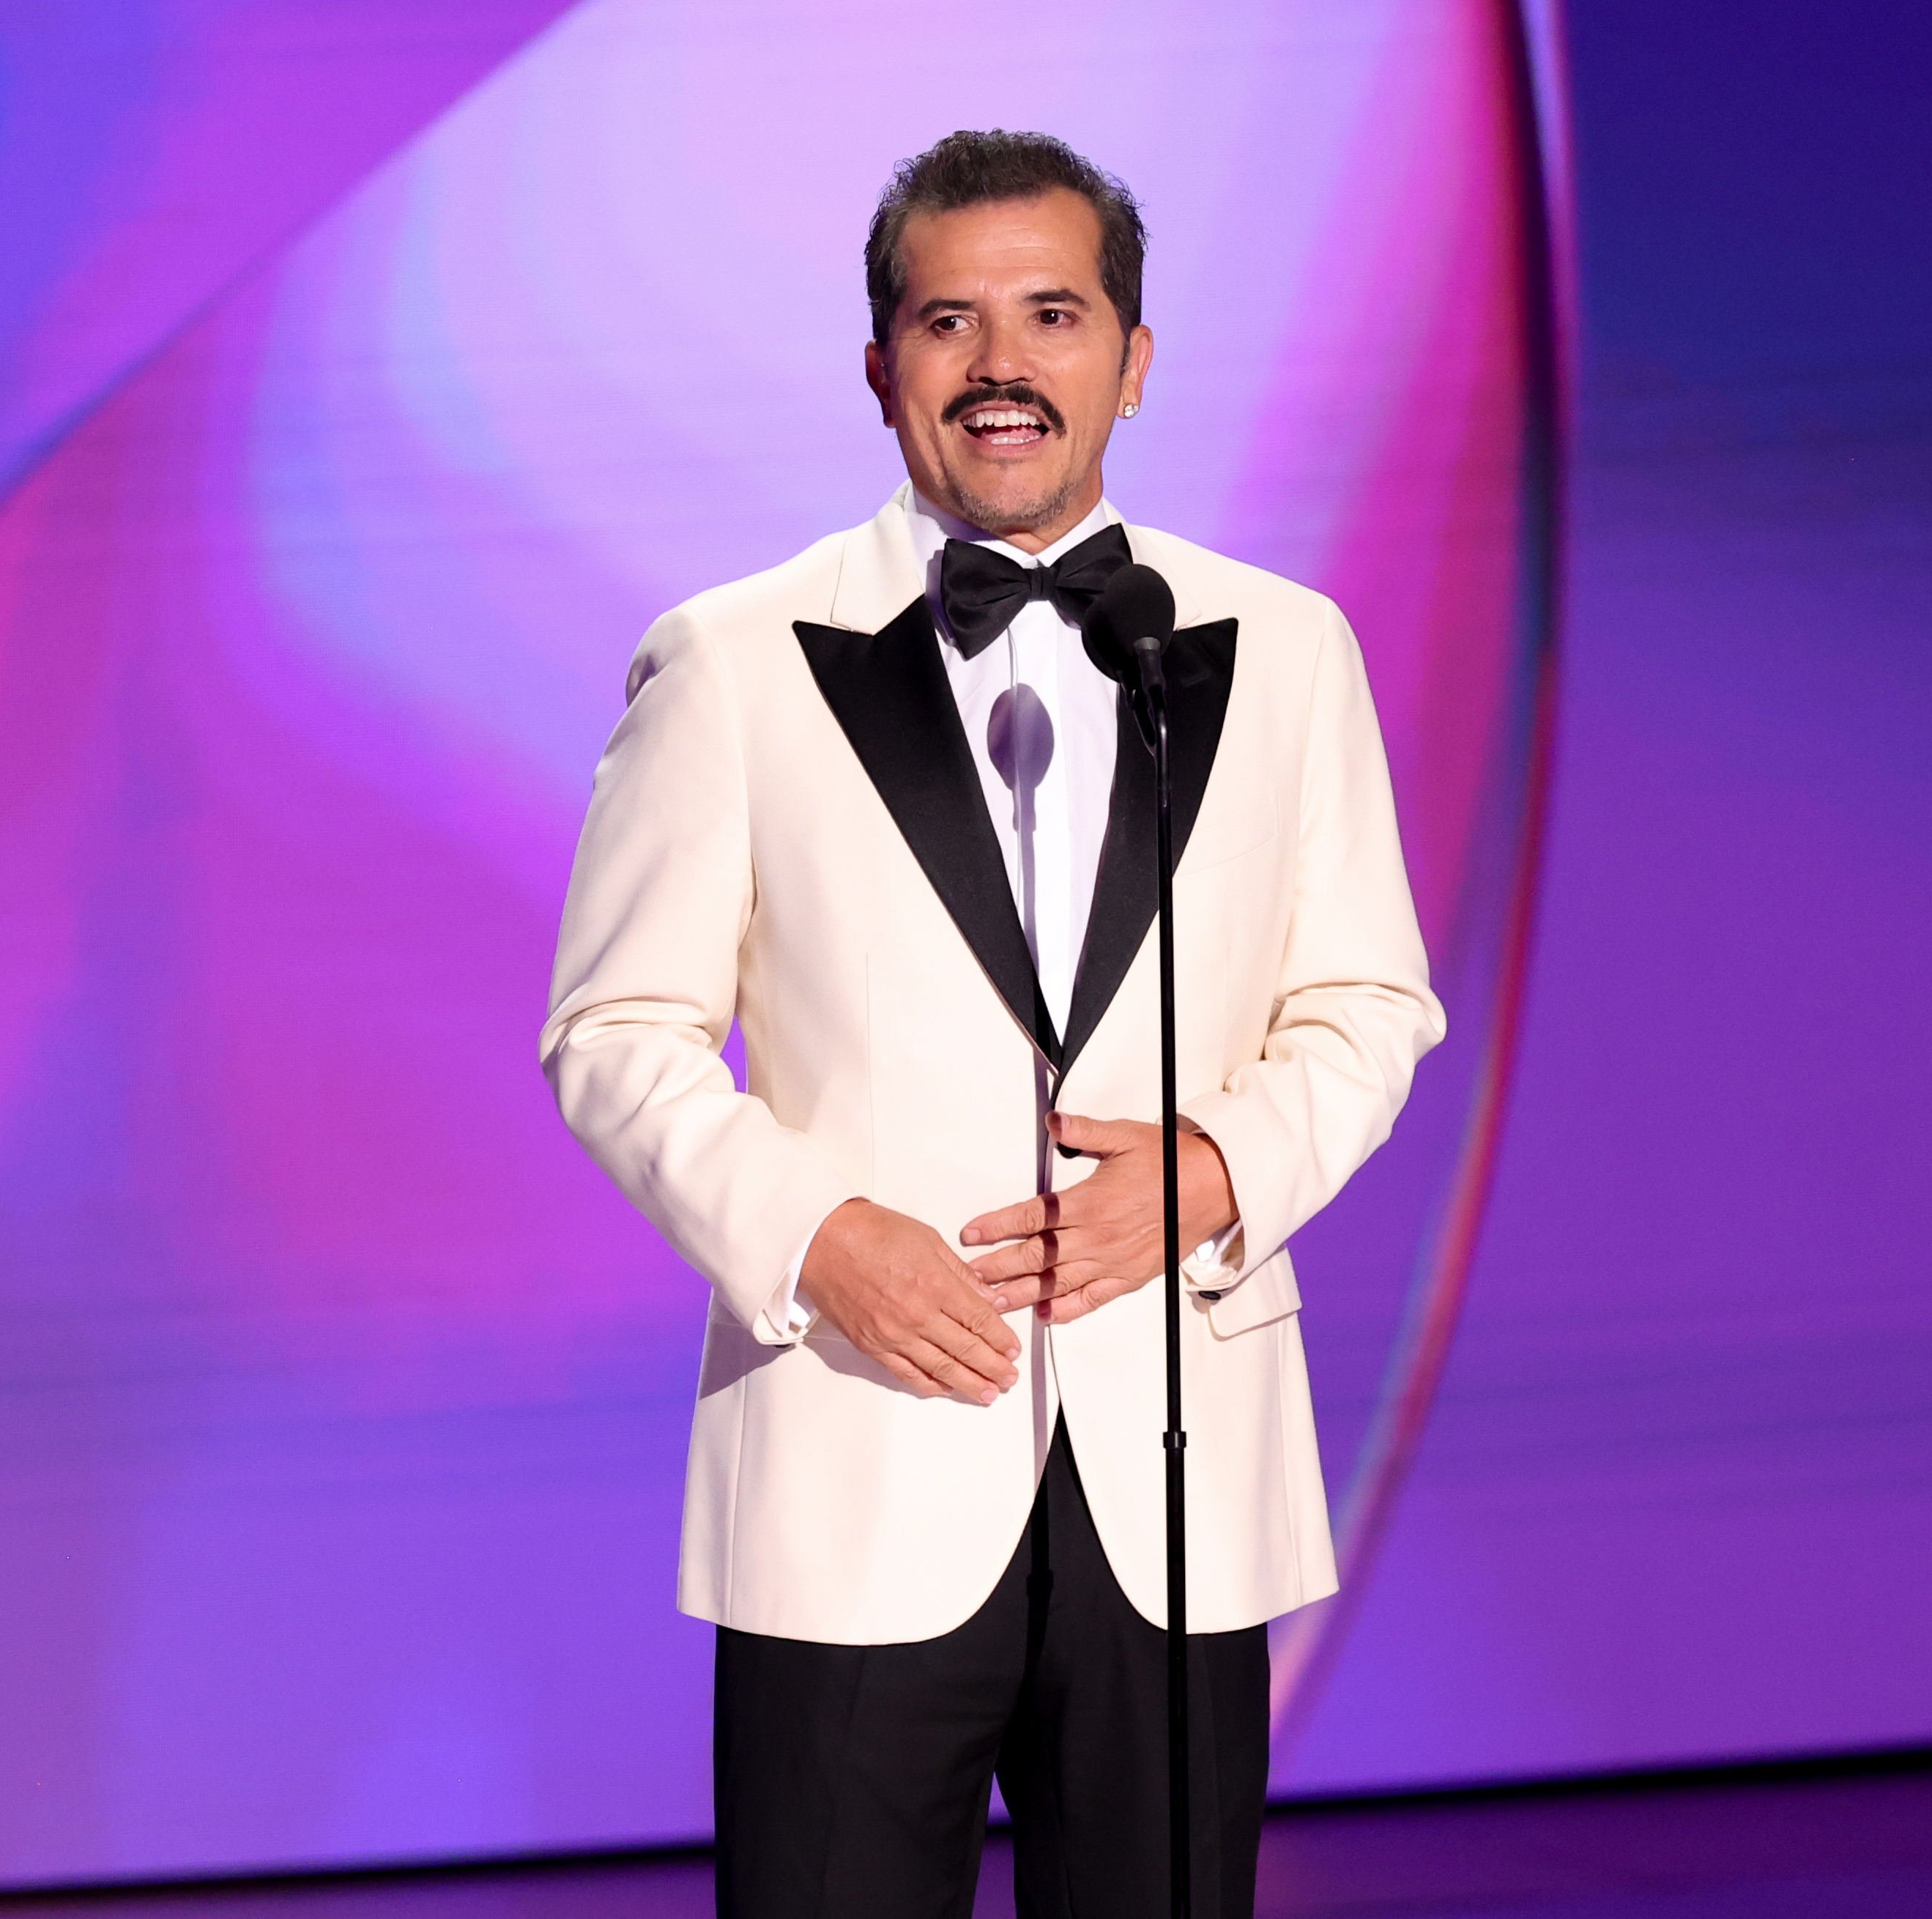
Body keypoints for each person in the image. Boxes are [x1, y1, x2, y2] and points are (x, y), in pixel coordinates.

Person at [544, 129, 1443, 1919]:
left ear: (1135, 354)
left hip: (1175, 1472)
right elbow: (619, 1030)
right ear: (882, 366)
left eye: (1053, 313)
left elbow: (1367, 1003)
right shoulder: (732, 657)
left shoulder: (1279, 647)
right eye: (950, 322)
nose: (1003, 365)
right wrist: (816, 1234)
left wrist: (1208, 1170)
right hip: (857, 1446)